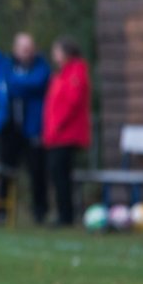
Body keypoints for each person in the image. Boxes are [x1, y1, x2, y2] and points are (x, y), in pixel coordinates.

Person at [0, 33, 50, 224]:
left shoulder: (41, 67)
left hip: (32, 129)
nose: (25, 52)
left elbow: (35, 83)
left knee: (37, 172)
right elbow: (1, 85)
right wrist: (13, 83)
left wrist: (13, 83)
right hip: (9, 129)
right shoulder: (7, 65)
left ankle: (40, 213)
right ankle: (1, 212)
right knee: (5, 172)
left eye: (29, 48)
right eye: (22, 48)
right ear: (15, 49)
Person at [42, 37, 91, 226]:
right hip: (57, 134)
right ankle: (63, 213)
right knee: (57, 175)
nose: (54, 55)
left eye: (57, 51)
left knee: (62, 176)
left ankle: (66, 216)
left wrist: (57, 125)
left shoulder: (76, 72)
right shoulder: (63, 73)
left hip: (66, 135)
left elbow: (71, 103)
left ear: (66, 53)